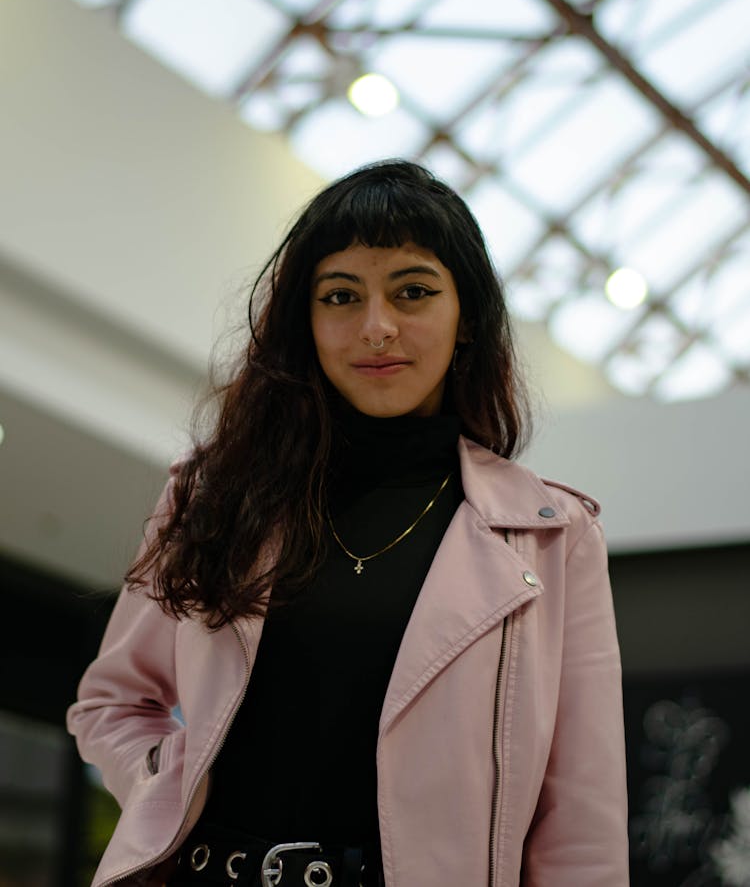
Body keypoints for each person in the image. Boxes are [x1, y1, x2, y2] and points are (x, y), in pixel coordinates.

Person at [67, 159, 629, 887]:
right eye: (341, 295)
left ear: (467, 319)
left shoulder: (552, 536)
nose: (377, 327)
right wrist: (167, 778)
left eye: (414, 291)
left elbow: (581, 819)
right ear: (308, 320)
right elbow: (112, 701)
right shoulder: (215, 492)